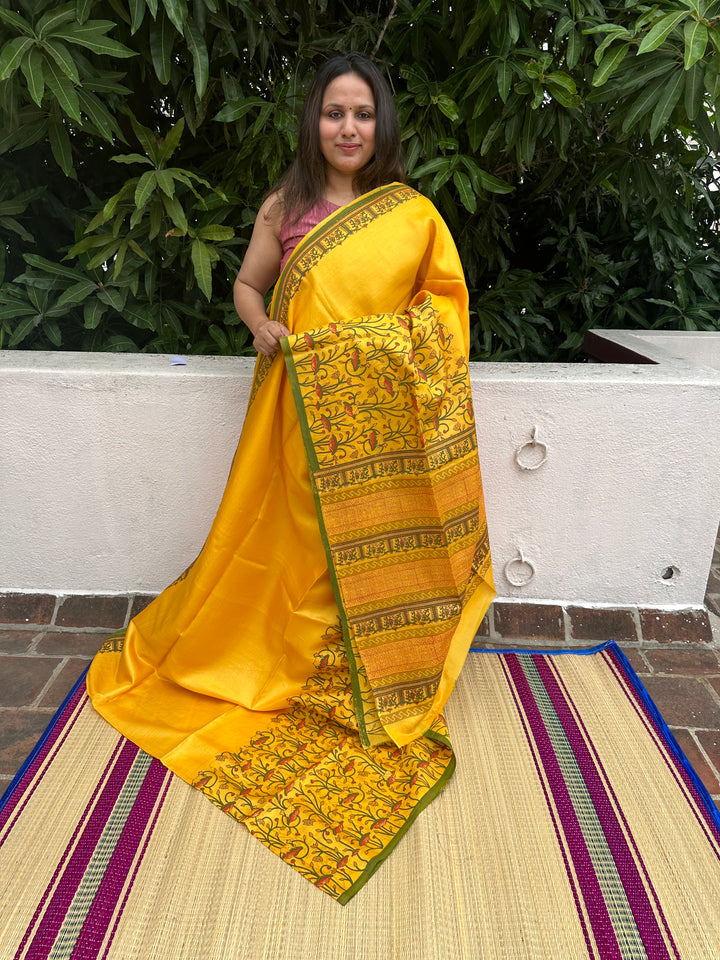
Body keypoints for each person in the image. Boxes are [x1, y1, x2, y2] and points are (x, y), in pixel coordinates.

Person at [87, 53, 494, 904]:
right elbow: (244, 285)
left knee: (368, 546)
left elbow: (444, 309)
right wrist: (263, 326)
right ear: (313, 122)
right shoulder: (287, 206)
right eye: (334, 113)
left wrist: (397, 347)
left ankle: (361, 673)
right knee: (296, 545)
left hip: (380, 426)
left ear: (383, 125)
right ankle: (276, 662)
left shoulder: (414, 215)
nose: (348, 128)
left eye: (363, 115)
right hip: (296, 413)